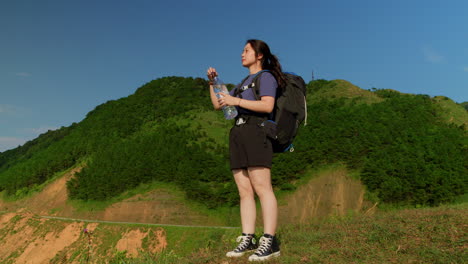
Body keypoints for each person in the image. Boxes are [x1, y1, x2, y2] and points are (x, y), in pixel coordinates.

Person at [206, 39, 286, 262]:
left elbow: (267, 106)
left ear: (259, 55)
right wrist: (212, 83)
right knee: (244, 190)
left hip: (257, 131)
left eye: (246, 50)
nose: (242, 54)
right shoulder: (242, 83)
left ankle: (270, 241)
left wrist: (235, 100)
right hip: (239, 132)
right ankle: (248, 238)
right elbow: (219, 105)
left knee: (262, 187)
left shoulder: (266, 77)